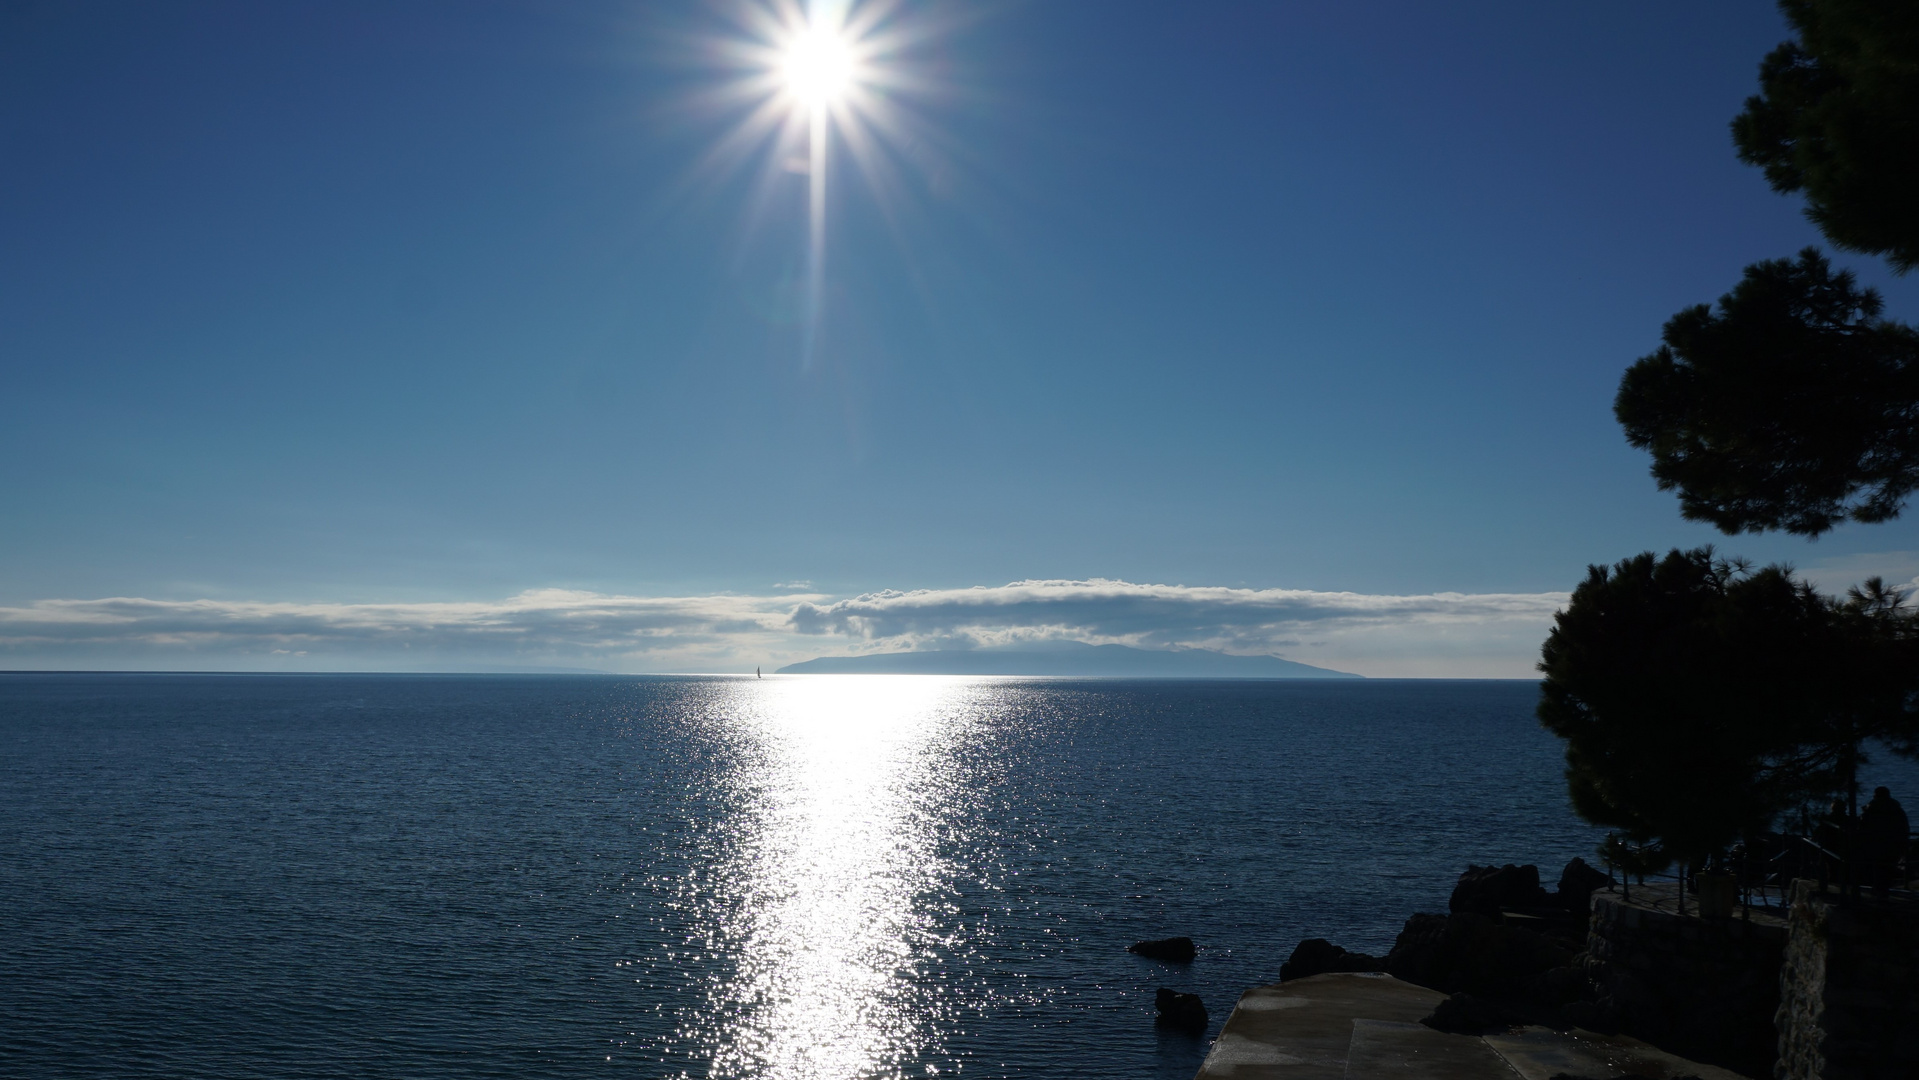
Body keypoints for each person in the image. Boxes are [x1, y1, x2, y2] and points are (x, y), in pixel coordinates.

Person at [1859, 787, 1910, 898]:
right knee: (1888, 869)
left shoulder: (1872, 809)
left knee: (1877, 869)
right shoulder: (1897, 810)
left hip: (1875, 844)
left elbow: (1862, 826)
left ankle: (1878, 891)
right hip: (1893, 845)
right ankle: (1884, 891)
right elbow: (1904, 827)